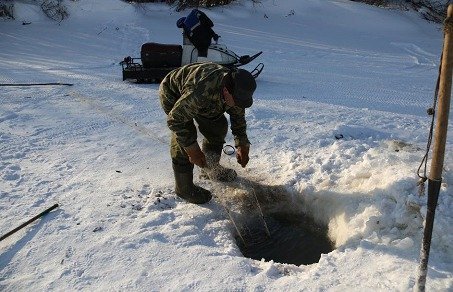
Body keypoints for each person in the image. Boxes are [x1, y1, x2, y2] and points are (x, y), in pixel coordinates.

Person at [159, 62, 257, 204]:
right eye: (236, 101)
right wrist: (193, 150)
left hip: (208, 99)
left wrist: (242, 143)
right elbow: (175, 120)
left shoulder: (235, 91)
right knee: (184, 135)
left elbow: (238, 116)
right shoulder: (200, 92)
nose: (238, 105)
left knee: (218, 126)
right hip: (173, 93)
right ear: (226, 91)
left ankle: (210, 169)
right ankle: (183, 187)